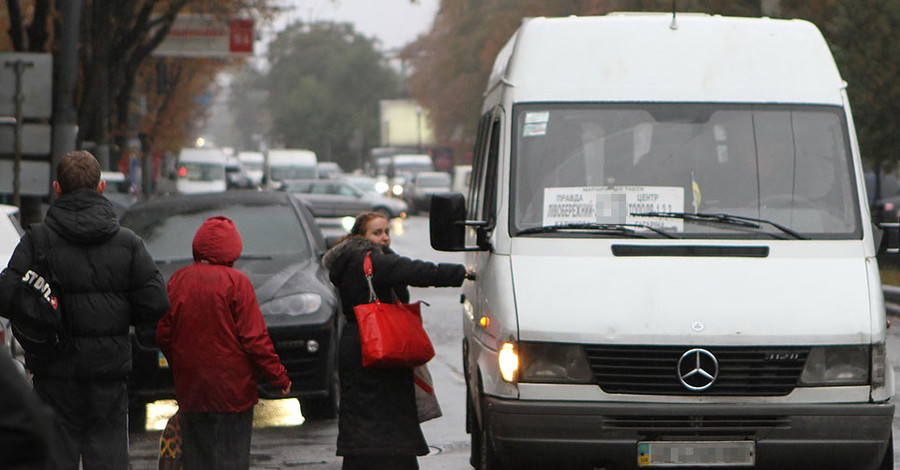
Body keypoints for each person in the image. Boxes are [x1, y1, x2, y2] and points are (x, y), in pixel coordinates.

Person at [0, 150, 170, 469]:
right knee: (108, 455)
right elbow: (156, 303)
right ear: (101, 188)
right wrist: (119, 314)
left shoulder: (38, 241)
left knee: (56, 456)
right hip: (109, 376)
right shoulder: (128, 243)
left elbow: (6, 294)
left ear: (57, 188)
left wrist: (40, 311)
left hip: (53, 374)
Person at [322, 211, 470, 470]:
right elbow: (417, 271)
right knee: (391, 417)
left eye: (387, 232)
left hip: (356, 344)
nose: (385, 238)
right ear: (361, 236)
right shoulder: (370, 260)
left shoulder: (350, 260)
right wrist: (460, 273)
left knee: (360, 414)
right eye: (377, 232)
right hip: (380, 344)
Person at [157, 216, 291, 470]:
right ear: (234, 248)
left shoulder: (178, 280)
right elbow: (255, 339)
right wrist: (278, 377)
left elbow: (164, 333)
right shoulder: (236, 282)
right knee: (231, 459)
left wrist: (183, 363)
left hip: (192, 390)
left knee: (197, 459)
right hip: (233, 391)